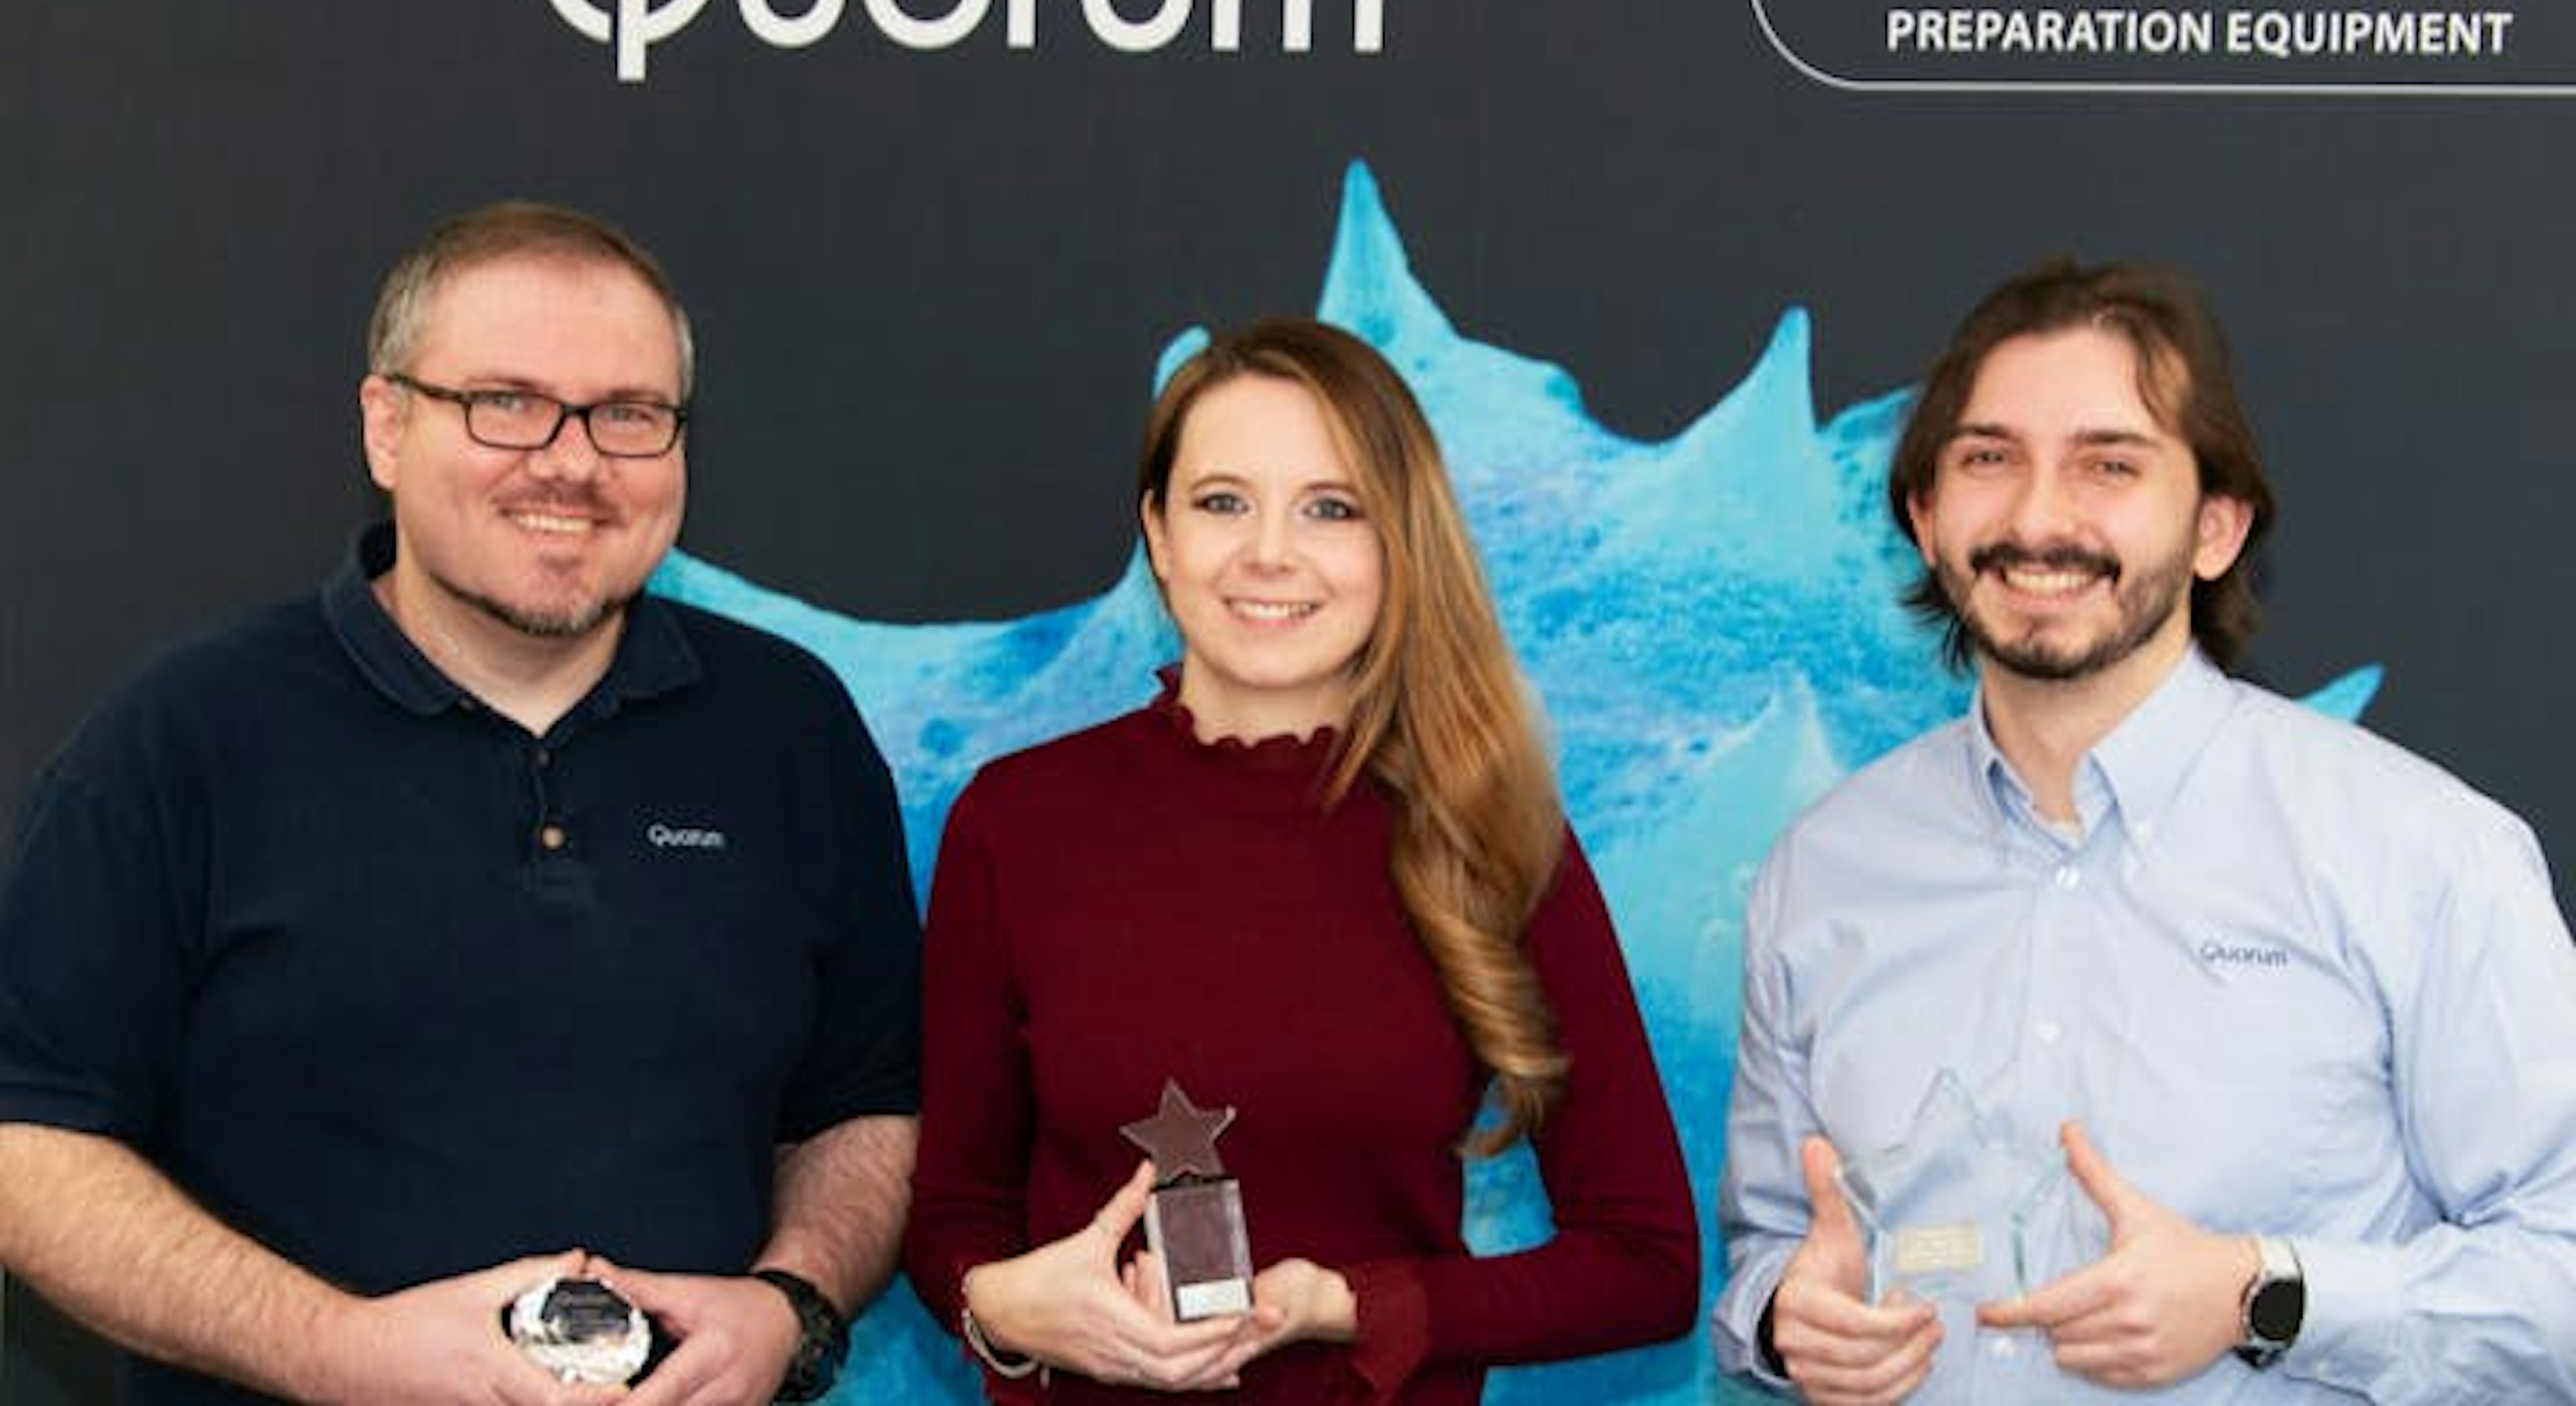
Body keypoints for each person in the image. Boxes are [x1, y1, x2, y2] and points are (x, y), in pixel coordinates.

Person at [0, 201, 922, 1406]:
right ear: (386, 427)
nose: (573, 462)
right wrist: (335, 1350)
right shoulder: (186, 739)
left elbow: (867, 1108)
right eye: (506, 404)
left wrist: (789, 1304)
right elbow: (29, 1142)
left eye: (630, 416)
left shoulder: (789, 727)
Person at [1711, 258, 2576, 1403]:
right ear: (1924, 519)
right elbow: (1771, 1245)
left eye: (2108, 464)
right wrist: (1786, 1319)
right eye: (1987, 460)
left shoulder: (2422, 855)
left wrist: (2260, 1296)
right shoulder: (1824, 872)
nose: (2037, 518)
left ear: (2217, 528)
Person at [902, 319, 1699, 1401]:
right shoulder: (1016, 821)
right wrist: (999, 1307)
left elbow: (1647, 1266)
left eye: (1331, 509)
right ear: (1159, 535)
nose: (1269, 552)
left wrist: (1359, 1307)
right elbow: (955, 1215)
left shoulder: (1493, 833)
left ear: (1397, 546)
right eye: (1222, 502)